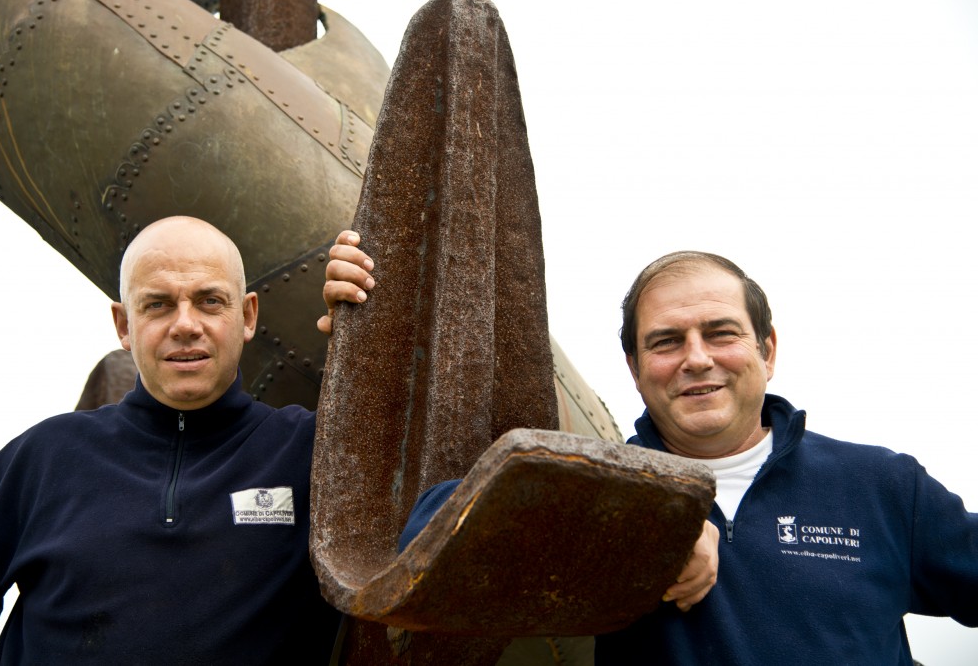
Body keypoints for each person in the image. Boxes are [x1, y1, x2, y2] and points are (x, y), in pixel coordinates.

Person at [323, 240, 978, 664]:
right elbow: (426, 534)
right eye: (666, 342)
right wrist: (640, 523)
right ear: (636, 368)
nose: (696, 359)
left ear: (767, 350)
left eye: (720, 333)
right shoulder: (603, 484)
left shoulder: (883, 486)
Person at [0, 216, 341, 664]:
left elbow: (425, 528)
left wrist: (377, 319)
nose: (185, 325)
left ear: (247, 315)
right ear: (123, 323)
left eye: (210, 301)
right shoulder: (45, 456)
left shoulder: (313, 454)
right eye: (157, 305)